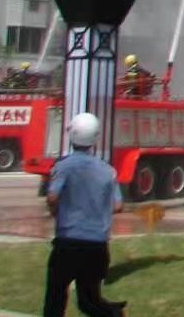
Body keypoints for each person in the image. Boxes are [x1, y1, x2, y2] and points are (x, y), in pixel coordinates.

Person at [43, 112, 127, 317]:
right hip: (97, 246)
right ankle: (115, 314)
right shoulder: (108, 170)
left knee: (55, 297)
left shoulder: (63, 166)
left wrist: (55, 212)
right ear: (94, 139)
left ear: (72, 136)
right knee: (89, 301)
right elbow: (118, 206)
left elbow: (53, 197)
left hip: (68, 243)